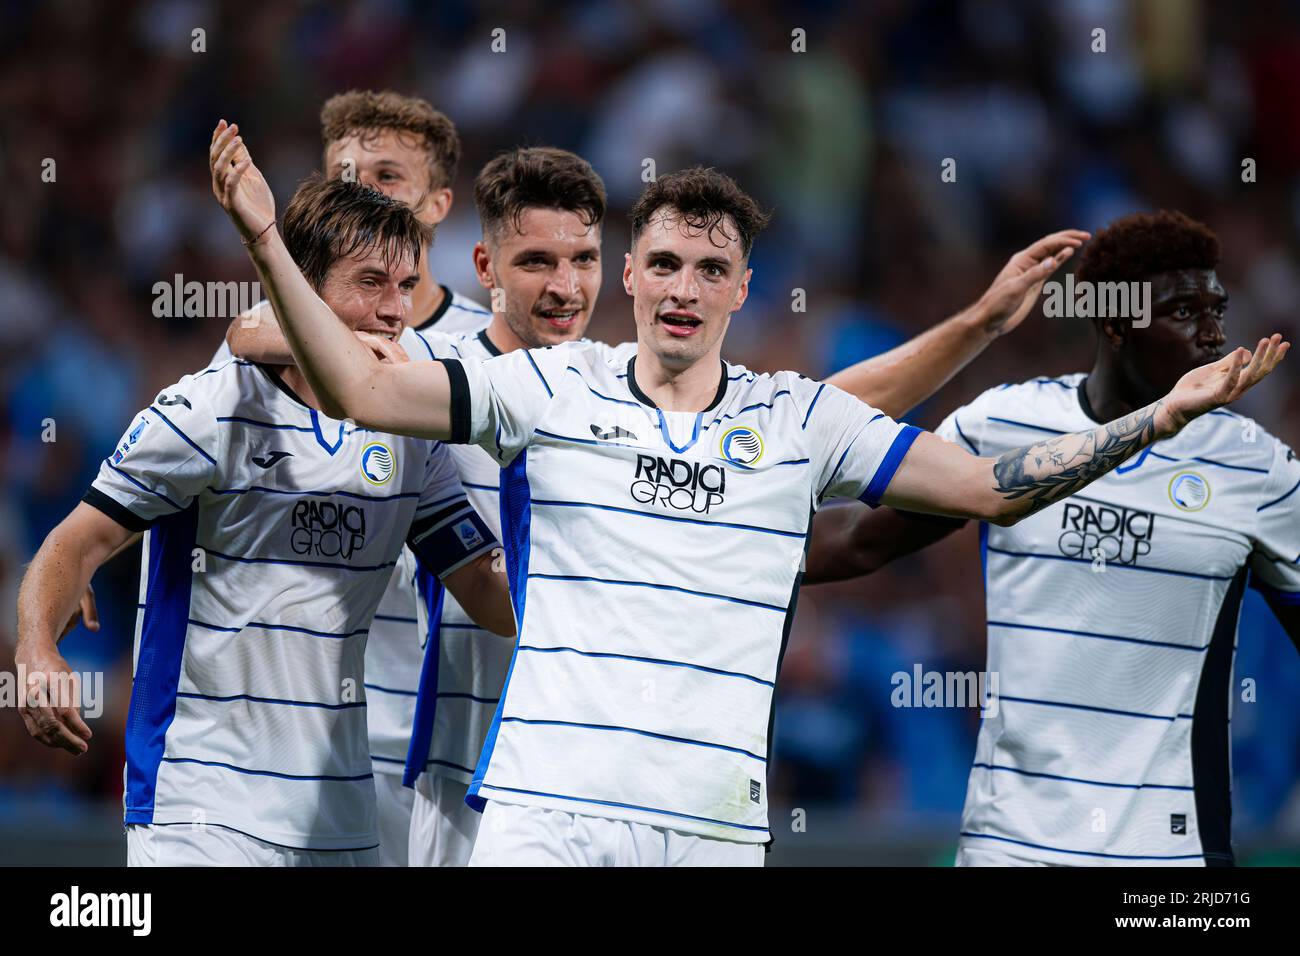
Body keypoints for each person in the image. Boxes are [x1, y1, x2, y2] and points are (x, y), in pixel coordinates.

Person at [210, 120, 1286, 865]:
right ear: (627, 276)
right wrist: (265, 238)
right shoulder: (543, 383)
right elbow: (357, 382)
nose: (684, 288)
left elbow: (989, 488)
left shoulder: (795, 417)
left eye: (710, 270)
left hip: (710, 828)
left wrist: (1158, 418)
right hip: (547, 814)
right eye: (665, 264)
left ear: (742, 289)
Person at [15, 173, 514, 866]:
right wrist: (37, 650)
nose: (396, 310)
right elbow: (76, 540)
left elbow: (486, 590)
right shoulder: (210, 409)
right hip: (201, 805)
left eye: (406, 286)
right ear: (302, 288)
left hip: (340, 816)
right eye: (371, 282)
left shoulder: (411, 435)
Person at [805, 210, 1300, 866]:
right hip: (1010, 850)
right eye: (1184, 310)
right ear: (1116, 324)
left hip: (1171, 862)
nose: (1213, 334)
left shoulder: (1258, 469)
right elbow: (858, 546)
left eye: (1218, 308)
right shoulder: (1004, 423)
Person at [221, 89, 492, 865]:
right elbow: (239, 339)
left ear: (439, 203)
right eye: (345, 172)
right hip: (300, 727)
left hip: (445, 731)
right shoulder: (275, 324)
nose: (362, 189)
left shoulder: (484, 347)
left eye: (386, 175)